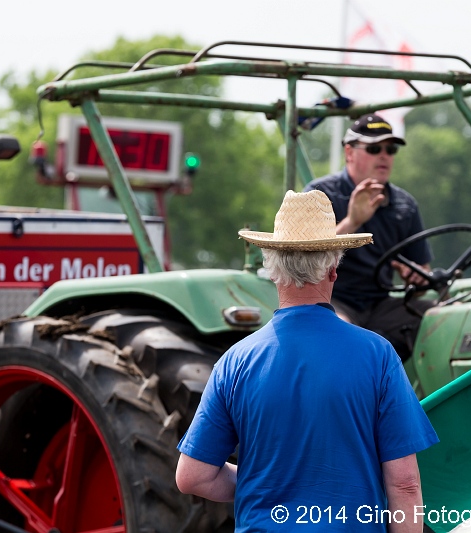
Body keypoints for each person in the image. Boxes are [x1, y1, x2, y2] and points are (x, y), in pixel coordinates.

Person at [176, 190, 439, 532]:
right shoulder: (378, 356)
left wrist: (268, 482)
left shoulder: (234, 363)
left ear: (272, 271)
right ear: (333, 269)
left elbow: (193, 476)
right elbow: (404, 484)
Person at [304, 114, 433, 361]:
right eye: (374, 148)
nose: (384, 155)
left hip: (381, 305)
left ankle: (434, 395)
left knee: (445, 319)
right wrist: (353, 221)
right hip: (332, 300)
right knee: (336, 330)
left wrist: (415, 278)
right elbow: (304, 259)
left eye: (390, 149)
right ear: (349, 153)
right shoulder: (319, 195)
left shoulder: (404, 205)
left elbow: (423, 274)